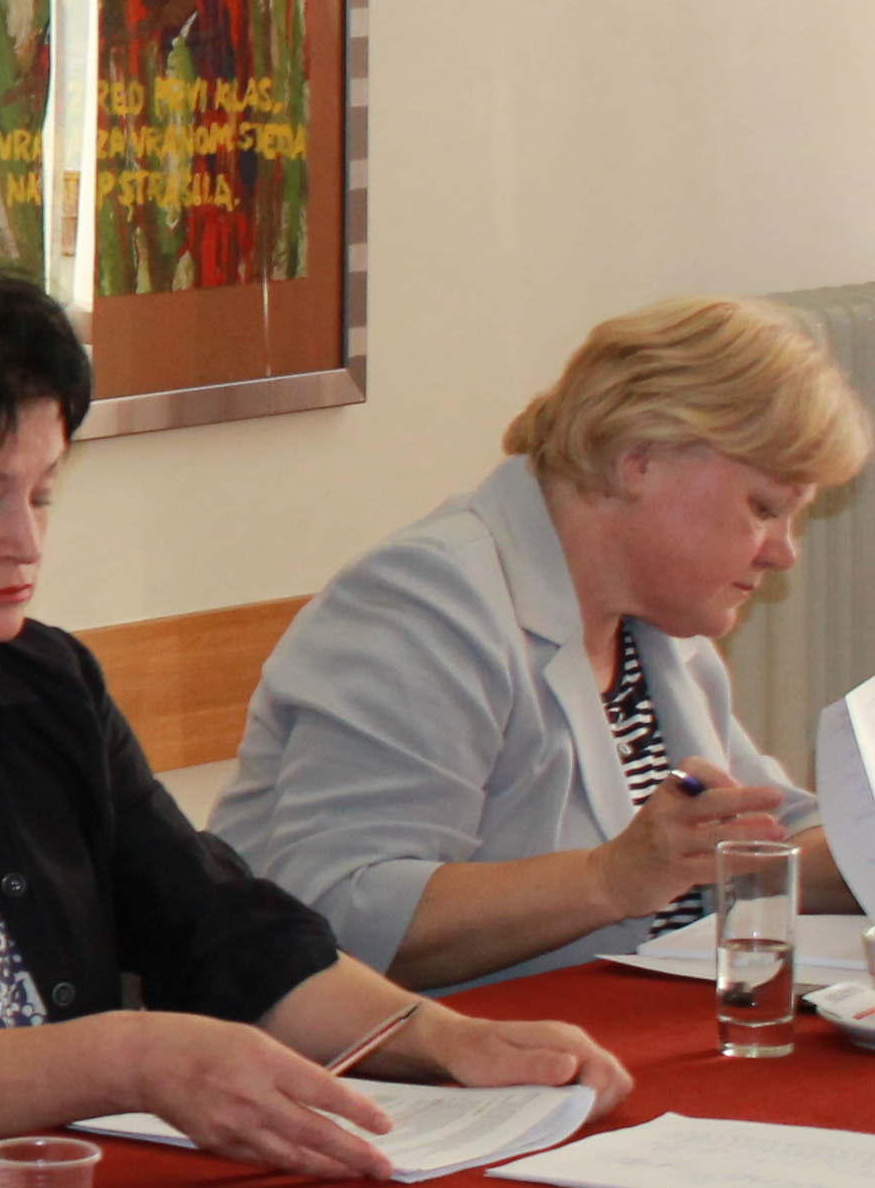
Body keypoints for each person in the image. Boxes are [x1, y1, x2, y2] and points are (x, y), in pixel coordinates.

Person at [0, 267, 629, 1176]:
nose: (24, 542)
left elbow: (221, 931)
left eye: (43, 496)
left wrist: (441, 1039)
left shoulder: (42, 684)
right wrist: (131, 1057)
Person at [213, 296, 871, 986]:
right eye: (764, 508)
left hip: (591, 1029)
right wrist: (609, 879)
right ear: (640, 459)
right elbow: (337, 914)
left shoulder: (656, 621)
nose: (783, 553)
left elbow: (765, 841)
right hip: (408, 1047)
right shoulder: (424, 603)